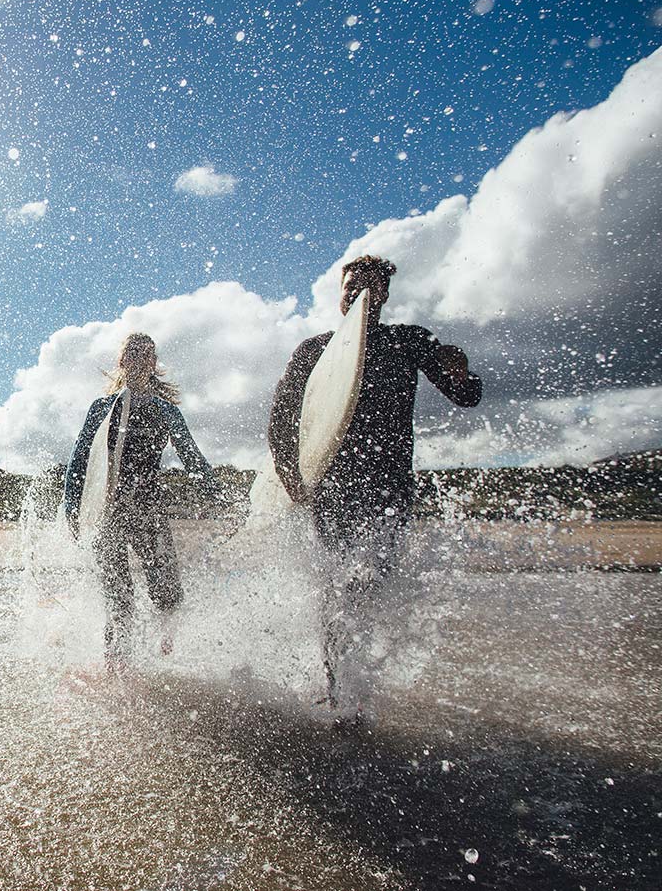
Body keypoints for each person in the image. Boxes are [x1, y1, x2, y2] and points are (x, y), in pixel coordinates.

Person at [268, 255, 482, 712]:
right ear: (338, 293)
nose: (358, 291)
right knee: (334, 589)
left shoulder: (409, 341)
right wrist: (292, 481)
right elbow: (281, 421)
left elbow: (466, 397)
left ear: (383, 294)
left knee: (367, 588)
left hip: (390, 491)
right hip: (333, 489)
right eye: (350, 284)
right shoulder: (315, 350)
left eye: (369, 284)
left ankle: (353, 681)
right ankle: (337, 689)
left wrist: (462, 374)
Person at [63, 333, 221, 662]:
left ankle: (161, 659)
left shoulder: (165, 411)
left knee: (169, 596)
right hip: (108, 516)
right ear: (121, 361)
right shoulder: (102, 408)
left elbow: (192, 458)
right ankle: (118, 670)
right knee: (119, 601)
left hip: (148, 512)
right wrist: (72, 509)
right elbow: (79, 461)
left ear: (153, 363)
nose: (137, 358)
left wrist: (218, 496)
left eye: (144, 354)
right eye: (130, 353)